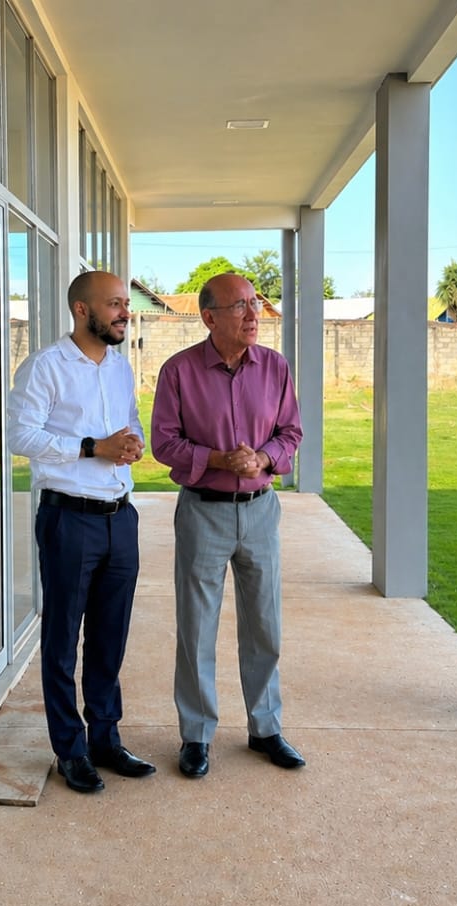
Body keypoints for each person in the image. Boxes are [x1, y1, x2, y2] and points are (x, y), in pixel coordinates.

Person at [151, 272, 305, 778]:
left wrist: (261, 457)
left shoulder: (276, 367)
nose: (253, 315)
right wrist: (219, 458)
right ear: (210, 317)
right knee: (197, 627)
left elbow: (291, 432)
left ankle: (265, 728)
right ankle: (196, 736)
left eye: (254, 304)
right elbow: (165, 443)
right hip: (203, 512)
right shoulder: (178, 371)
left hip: (260, 510)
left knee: (265, 625)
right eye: (239, 307)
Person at [6, 270, 153, 794]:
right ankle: (70, 750)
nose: (124, 311)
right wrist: (93, 447)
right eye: (114, 304)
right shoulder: (46, 366)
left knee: (110, 637)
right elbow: (19, 435)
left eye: (124, 304)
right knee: (63, 639)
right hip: (69, 519)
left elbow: (129, 421)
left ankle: (105, 739)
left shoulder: (118, 367)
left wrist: (130, 444)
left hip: (121, 517)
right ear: (82, 310)